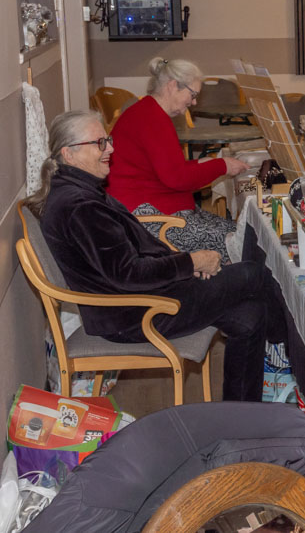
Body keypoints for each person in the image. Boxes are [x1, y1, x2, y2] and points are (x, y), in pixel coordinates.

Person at [29, 111, 287, 401]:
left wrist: (184, 265)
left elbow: (129, 260)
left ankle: (242, 413)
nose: (110, 149)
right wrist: (191, 262)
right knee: (253, 272)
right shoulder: (81, 207)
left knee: (251, 315)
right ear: (69, 153)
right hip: (137, 313)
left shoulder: (79, 191)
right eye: (100, 143)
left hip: (142, 299)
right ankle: (290, 353)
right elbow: (127, 274)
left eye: (108, 140)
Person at [107, 58, 249, 261]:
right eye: (193, 95)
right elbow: (177, 178)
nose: (194, 102)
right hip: (147, 220)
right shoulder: (152, 119)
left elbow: (166, 168)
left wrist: (202, 164)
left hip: (148, 207)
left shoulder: (148, 111)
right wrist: (222, 165)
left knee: (239, 231)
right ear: (173, 86)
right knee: (242, 240)